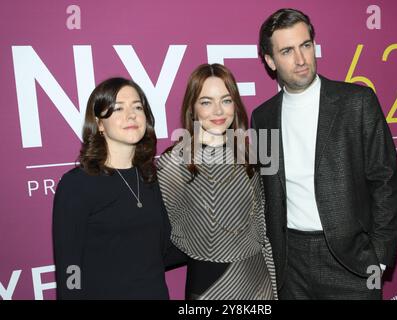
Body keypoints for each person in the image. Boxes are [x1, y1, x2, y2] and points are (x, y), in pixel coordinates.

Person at [251, 8, 397, 299]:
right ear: (270, 61)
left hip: (353, 261)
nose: (300, 59)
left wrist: (379, 259)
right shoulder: (263, 117)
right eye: (287, 51)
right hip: (290, 263)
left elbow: (385, 181)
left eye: (305, 45)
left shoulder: (357, 102)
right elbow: (268, 189)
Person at [157, 63, 277, 300]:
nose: (218, 111)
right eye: (206, 102)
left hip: (257, 280)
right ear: (193, 108)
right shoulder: (174, 163)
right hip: (209, 284)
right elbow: (165, 234)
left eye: (226, 100)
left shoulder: (249, 155)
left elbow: (262, 223)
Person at [53, 77, 180, 299]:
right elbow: (69, 269)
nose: (131, 115)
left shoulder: (153, 178)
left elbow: (164, 252)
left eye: (137, 107)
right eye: (118, 108)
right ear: (99, 124)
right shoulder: (77, 184)